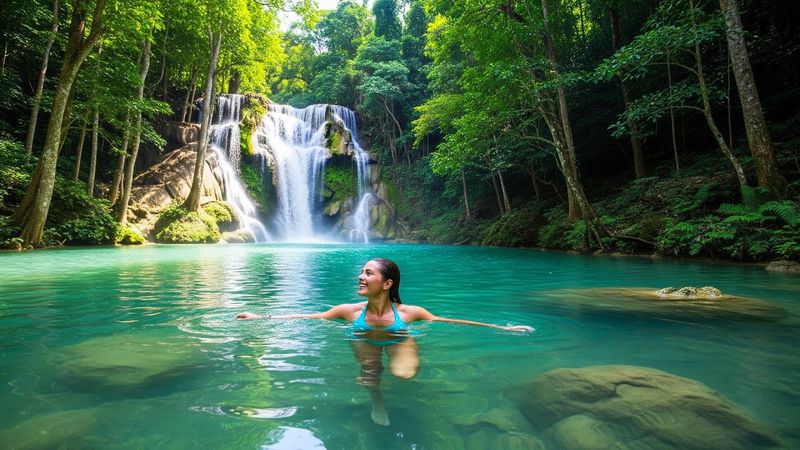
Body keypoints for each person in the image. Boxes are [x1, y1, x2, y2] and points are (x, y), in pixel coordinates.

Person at [236, 257, 533, 425]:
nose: (360, 277)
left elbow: (447, 321)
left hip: (398, 336)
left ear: (387, 283)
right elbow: (308, 317)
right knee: (369, 374)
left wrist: (502, 328)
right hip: (363, 337)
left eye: (368, 273)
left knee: (404, 374)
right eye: (361, 272)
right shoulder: (348, 312)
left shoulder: (410, 312)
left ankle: (396, 379)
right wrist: (260, 318)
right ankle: (377, 400)